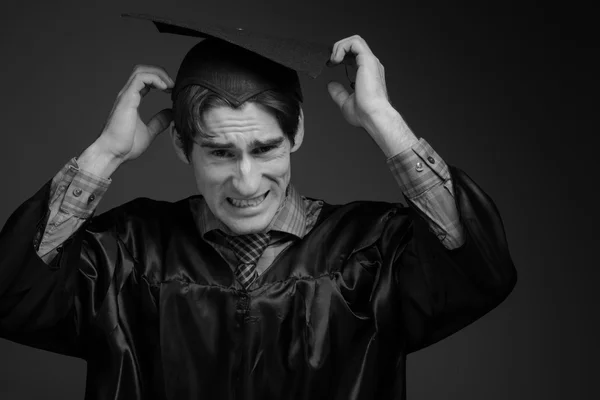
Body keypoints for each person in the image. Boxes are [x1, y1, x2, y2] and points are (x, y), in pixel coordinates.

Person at [0, 13, 517, 400]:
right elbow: (12, 295)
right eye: (220, 152)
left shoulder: (372, 250)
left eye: (264, 149)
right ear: (182, 147)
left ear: (296, 136)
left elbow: (477, 269)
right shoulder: (128, 254)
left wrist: (384, 121)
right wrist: (104, 155)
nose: (245, 181)